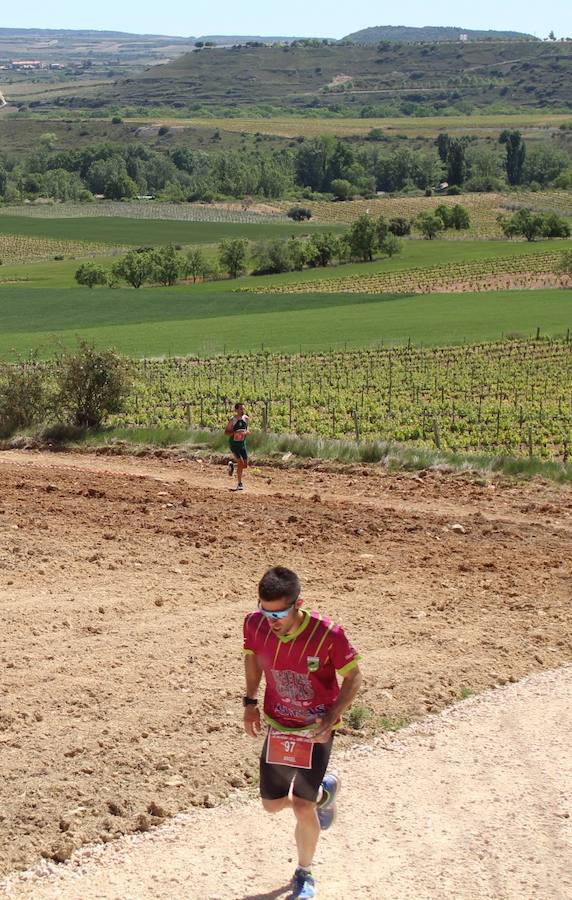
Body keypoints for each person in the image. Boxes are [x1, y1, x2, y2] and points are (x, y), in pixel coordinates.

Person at [242, 566, 362, 900]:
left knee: (300, 806)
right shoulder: (254, 624)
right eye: (265, 611)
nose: (271, 619)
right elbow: (252, 660)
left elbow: (354, 677)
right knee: (271, 805)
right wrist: (250, 702)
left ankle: (304, 873)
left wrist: (333, 715)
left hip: (314, 731)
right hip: (279, 726)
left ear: (298, 603)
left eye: (279, 612)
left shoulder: (329, 635)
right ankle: (327, 793)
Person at [225, 402, 250, 492]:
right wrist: (235, 433)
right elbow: (226, 432)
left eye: (243, 409)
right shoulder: (233, 420)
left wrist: (246, 433)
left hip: (242, 444)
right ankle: (239, 483)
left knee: (245, 465)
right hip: (234, 444)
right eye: (240, 409)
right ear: (236, 410)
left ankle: (232, 466)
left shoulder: (246, 418)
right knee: (240, 462)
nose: (242, 411)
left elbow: (247, 430)